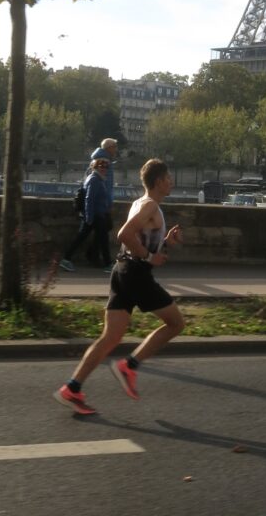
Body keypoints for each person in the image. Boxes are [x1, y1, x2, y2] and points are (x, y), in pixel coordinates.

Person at [54, 158, 185, 416]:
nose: (171, 182)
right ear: (159, 181)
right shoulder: (149, 205)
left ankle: (72, 388)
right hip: (137, 274)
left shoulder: (142, 203)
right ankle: (130, 365)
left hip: (122, 271)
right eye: (168, 178)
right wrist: (149, 257)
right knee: (176, 324)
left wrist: (165, 242)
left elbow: (141, 242)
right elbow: (124, 235)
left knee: (111, 337)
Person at [59, 159, 113, 273]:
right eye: (101, 166)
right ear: (95, 167)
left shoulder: (97, 179)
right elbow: (89, 199)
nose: (104, 169)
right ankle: (108, 264)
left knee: (81, 238)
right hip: (95, 216)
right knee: (102, 239)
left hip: (94, 215)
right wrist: (89, 218)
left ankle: (66, 259)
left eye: (106, 167)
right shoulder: (95, 180)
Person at [84, 138, 118, 266]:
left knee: (100, 229)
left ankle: (93, 254)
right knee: (103, 229)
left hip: (98, 201)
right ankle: (96, 256)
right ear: (108, 148)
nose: (116, 149)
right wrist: (109, 203)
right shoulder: (104, 161)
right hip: (101, 202)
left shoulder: (96, 159)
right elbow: (107, 184)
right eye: (114, 146)